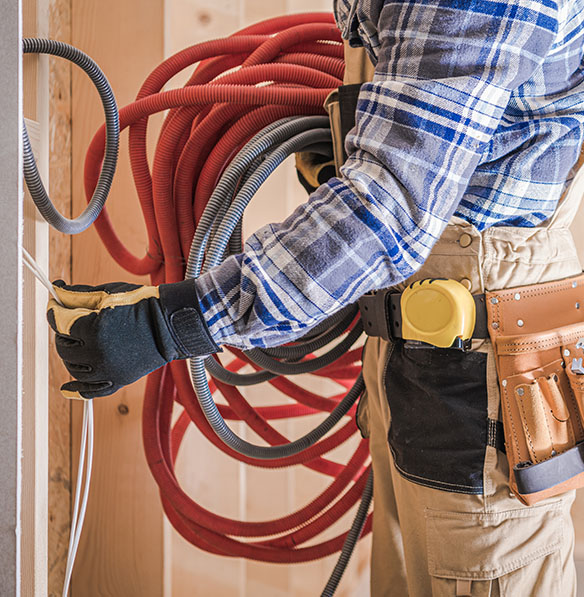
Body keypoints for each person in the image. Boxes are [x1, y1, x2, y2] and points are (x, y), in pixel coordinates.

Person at [48, 1, 584, 594]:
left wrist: (172, 325)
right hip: (429, 333)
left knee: (483, 571)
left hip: (479, 363)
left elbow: (391, 208)